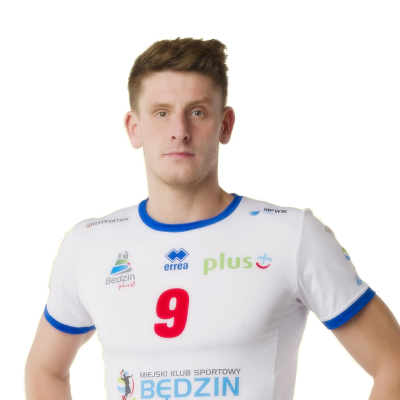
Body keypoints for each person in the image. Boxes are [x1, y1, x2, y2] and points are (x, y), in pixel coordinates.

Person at [23, 36, 400, 400]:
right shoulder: (87, 243)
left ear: (226, 125)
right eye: (161, 113)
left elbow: (394, 364)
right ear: (133, 129)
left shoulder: (292, 234)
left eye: (197, 112)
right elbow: (43, 370)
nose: (180, 132)